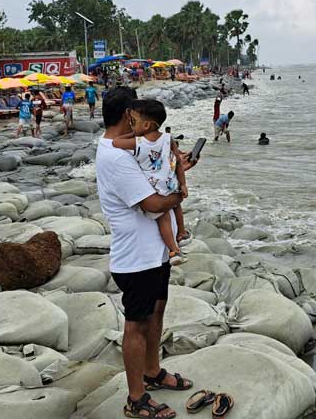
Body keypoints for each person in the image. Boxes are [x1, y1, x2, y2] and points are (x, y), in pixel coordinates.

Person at [96, 87, 195, 419]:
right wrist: (179, 195)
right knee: (136, 324)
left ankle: (152, 372)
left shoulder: (127, 150)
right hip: (136, 258)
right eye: (135, 111)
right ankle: (136, 398)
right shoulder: (114, 155)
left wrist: (176, 168)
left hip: (154, 253)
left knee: (157, 311)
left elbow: (154, 172)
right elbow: (152, 203)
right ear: (128, 116)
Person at [111, 99, 189, 262]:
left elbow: (115, 142)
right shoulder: (169, 139)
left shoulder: (138, 143)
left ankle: (173, 249)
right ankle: (182, 232)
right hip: (170, 182)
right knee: (176, 206)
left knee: (163, 217)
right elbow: (178, 163)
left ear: (146, 126)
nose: (130, 124)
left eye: (132, 121)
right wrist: (183, 184)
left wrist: (133, 133)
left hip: (155, 188)